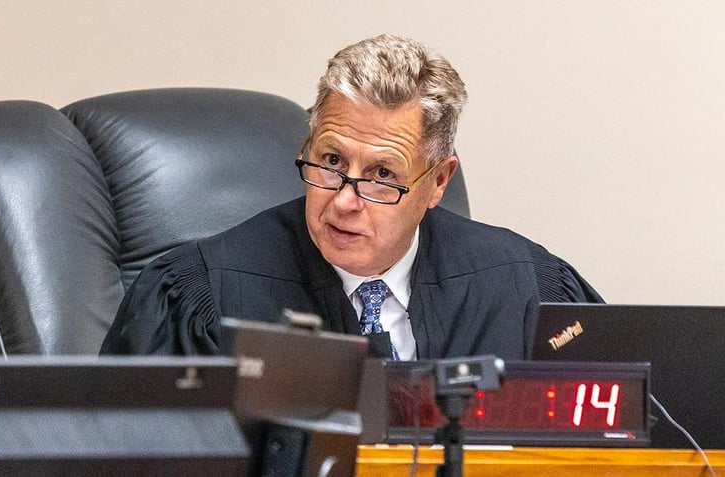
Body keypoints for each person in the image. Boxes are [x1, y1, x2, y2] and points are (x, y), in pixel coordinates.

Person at [100, 34, 602, 360]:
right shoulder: (201, 296)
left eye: (383, 174)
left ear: (439, 182)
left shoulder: (525, 288)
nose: (343, 200)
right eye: (332, 162)